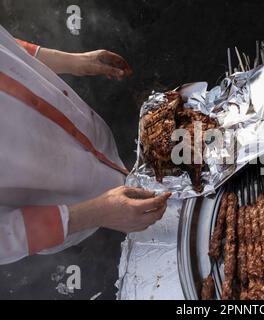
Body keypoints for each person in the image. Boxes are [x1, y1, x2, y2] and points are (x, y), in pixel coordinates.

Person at [0, 25, 171, 265]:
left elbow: (8, 49)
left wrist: (74, 62)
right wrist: (98, 212)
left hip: (98, 142)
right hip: (81, 219)